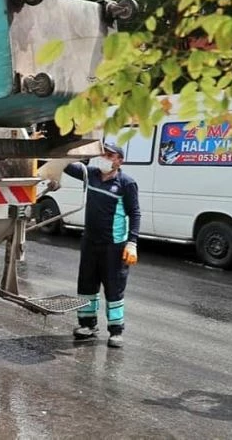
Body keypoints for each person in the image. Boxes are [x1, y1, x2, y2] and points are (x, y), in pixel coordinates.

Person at [39, 142, 141, 348]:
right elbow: (66, 165)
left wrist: (132, 242)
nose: (104, 158)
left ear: (119, 161)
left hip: (114, 245)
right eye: (103, 154)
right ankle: (87, 325)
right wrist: (55, 148)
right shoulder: (92, 174)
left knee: (114, 288)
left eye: (110, 156)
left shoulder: (126, 184)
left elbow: (135, 213)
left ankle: (116, 331)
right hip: (90, 242)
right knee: (87, 285)